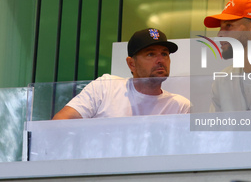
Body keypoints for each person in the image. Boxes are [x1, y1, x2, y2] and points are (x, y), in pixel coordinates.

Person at [53, 28, 190, 119]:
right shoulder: (106, 87)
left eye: (164, 54)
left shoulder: (180, 106)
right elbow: (60, 122)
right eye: (151, 54)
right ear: (132, 64)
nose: (160, 60)